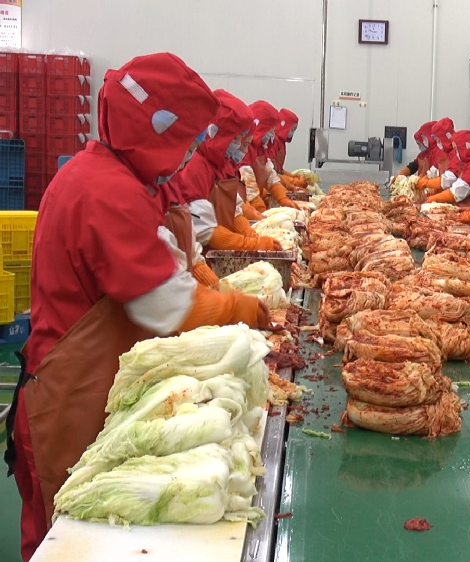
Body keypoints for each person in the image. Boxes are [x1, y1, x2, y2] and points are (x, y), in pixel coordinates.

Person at [4, 52, 270, 562]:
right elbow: (165, 305)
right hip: (69, 395)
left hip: (87, 380)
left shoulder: (114, 175)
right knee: (64, 539)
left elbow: (169, 260)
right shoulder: (106, 192)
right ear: (158, 128)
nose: (190, 152)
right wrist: (238, 307)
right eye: (186, 138)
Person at [172, 89, 281, 253]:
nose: (238, 145)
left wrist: (250, 233)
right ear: (220, 133)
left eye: (241, 139)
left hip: (220, 252)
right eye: (235, 138)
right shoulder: (195, 167)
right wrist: (249, 244)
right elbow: (205, 231)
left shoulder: (222, 164)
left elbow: (234, 207)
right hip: (203, 253)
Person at [425, 129, 470, 206]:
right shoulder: (467, 161)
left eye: (456, 149)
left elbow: (458, 192)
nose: (456, 153)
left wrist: (433, 199)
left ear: (465, 148)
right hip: (466, 206)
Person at [239, 100, 281, 214]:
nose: (273, 132)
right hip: (245, 209)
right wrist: (260, 210)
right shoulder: (244, 149)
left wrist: (282, 196)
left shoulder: (261, 148)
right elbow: (249, 188)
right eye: (271, 128)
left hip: (250, 209)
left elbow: (269, 173)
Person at [417, 117, 457, 195]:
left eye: (438, 140)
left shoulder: (456, 154)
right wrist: (427, 178)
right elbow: (436, 171)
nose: (438, 143)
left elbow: (448, 179)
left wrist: (427, 183)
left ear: (445, 137)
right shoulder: (449, 152)